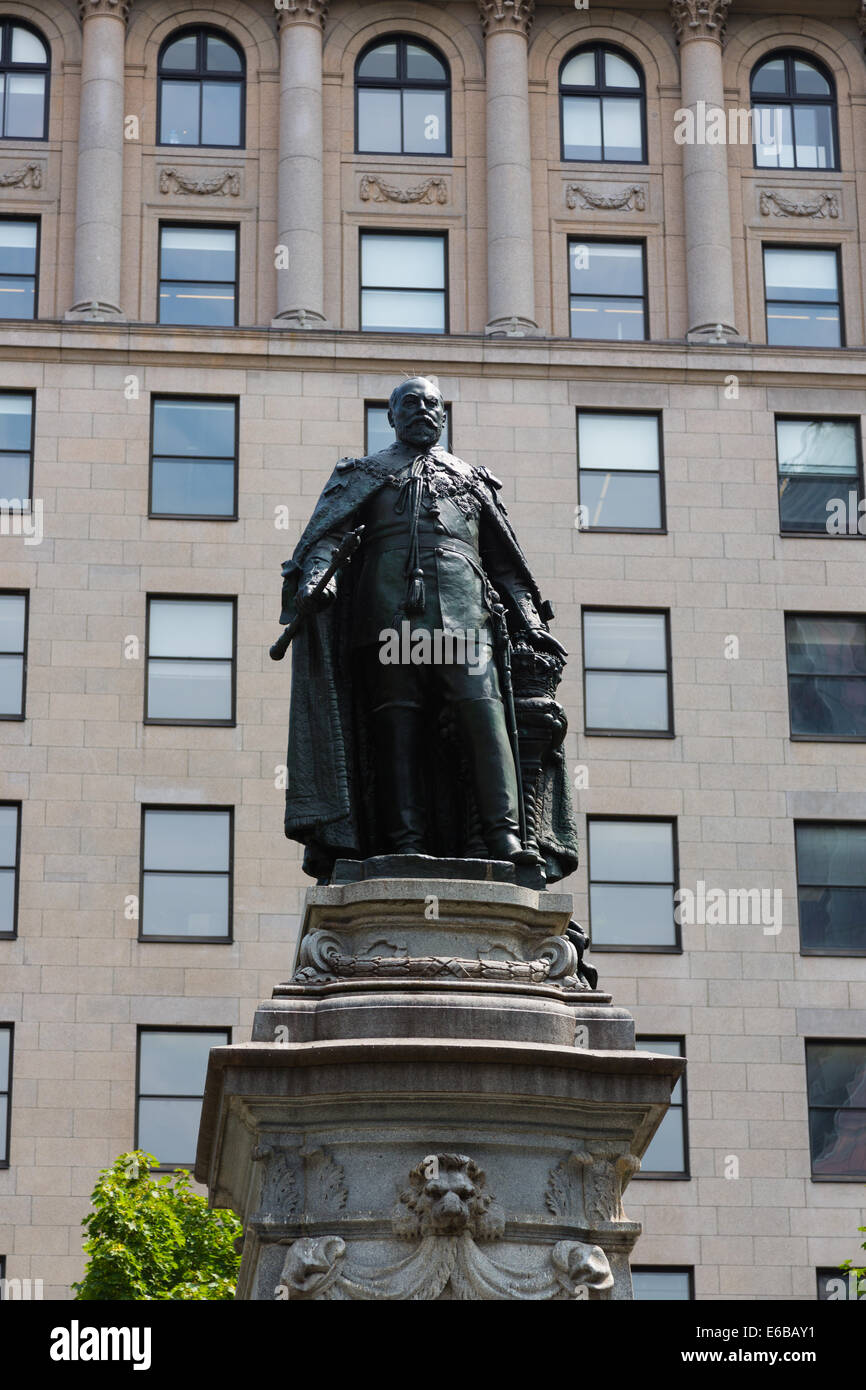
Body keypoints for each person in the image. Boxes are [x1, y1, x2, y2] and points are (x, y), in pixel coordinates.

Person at [277, 376, 578, 884]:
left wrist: (529, 621)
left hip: (467, 621)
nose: (422, 410)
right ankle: (404, 844)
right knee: (398, 726)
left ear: (444, 415)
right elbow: (325, 540)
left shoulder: (471, 480)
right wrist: (314, 582)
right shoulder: (365, 473)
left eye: (431, 403)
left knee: (485, 719)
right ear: (391, 416)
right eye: (410, 403)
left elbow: (506, 567)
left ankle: (506, 840)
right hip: (388, 620)